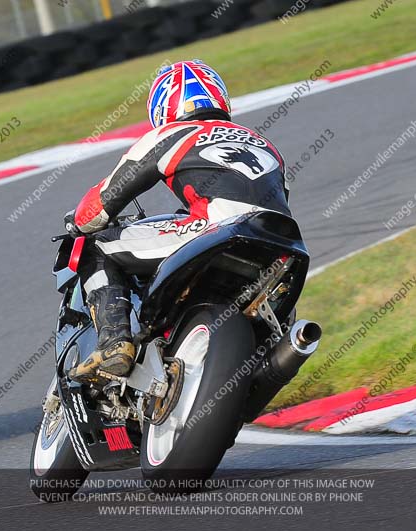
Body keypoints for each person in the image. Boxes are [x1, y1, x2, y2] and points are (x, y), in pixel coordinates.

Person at [64, 60, 291, 384]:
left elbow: (102, 204)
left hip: (221, 229)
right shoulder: (264, 143)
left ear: (162, 107)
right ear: (219, 98)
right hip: (283, 243)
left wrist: (78, 224)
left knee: (95, 247)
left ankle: (114, 343)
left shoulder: (169, 135)